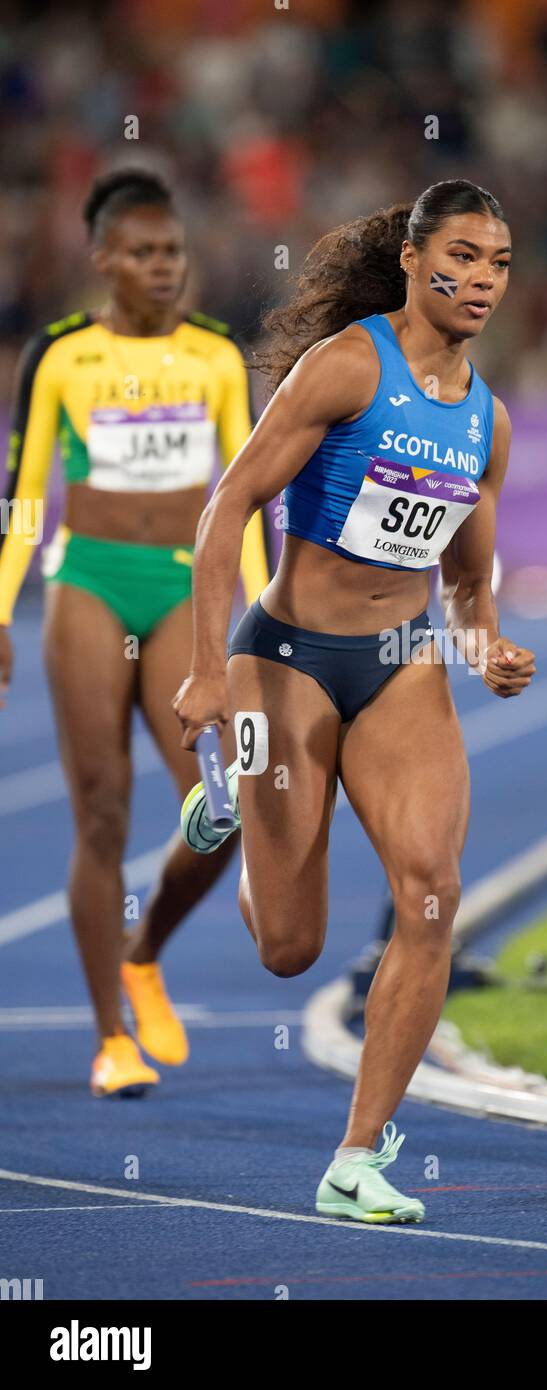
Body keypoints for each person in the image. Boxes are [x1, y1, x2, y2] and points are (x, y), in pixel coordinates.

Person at [173, 179, 535, 1223]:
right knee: (288, 945)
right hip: (285, 657)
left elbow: (467, 580)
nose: (479, 279)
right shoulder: (347, 365)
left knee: (431, 891)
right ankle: (234, 799)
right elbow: (227, 503)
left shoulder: (487, 420)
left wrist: (485, 643)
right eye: (462, 255)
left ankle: (355, 1157)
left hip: (400, 663)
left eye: (498, 262)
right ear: (417, 260)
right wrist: (205, 668)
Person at [0, 169, 270, 1097]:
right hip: (90, 584)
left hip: (184, 591)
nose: (164, 267)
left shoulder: (217, 357)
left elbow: (248, 503)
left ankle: (143, 948)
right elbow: (26, 499)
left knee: (226, 806)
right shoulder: (62, 356)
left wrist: (259, 625)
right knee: (102, 813)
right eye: (144, 253)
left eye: (174, 252)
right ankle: (110, 1038)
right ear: (103, 258)